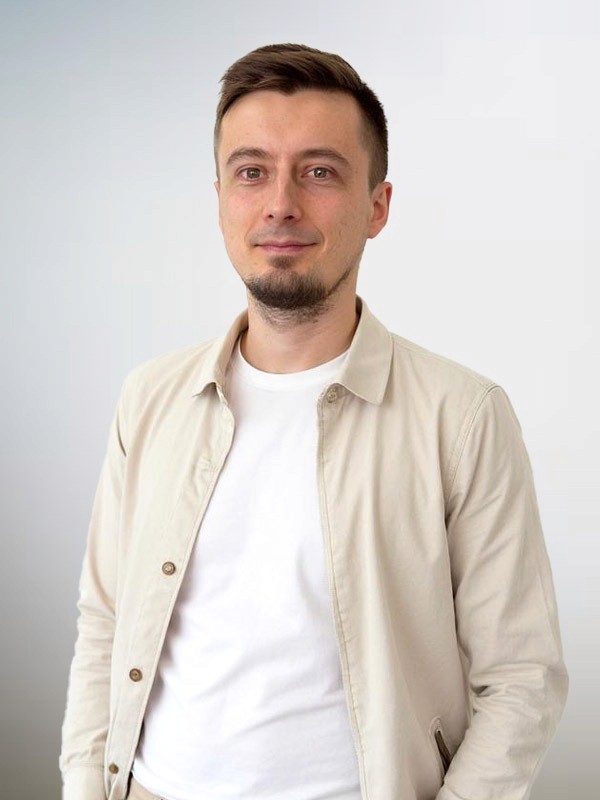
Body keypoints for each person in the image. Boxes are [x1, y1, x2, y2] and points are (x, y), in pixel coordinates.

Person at [60, 43, 568, 800]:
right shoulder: (152, 398)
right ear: (221, 198)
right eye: (251, 171)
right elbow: (104, 620)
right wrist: (83, 784)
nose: (280, 204)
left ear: (378, 206)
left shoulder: (461, 416)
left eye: (320, 171)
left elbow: (522, 677)